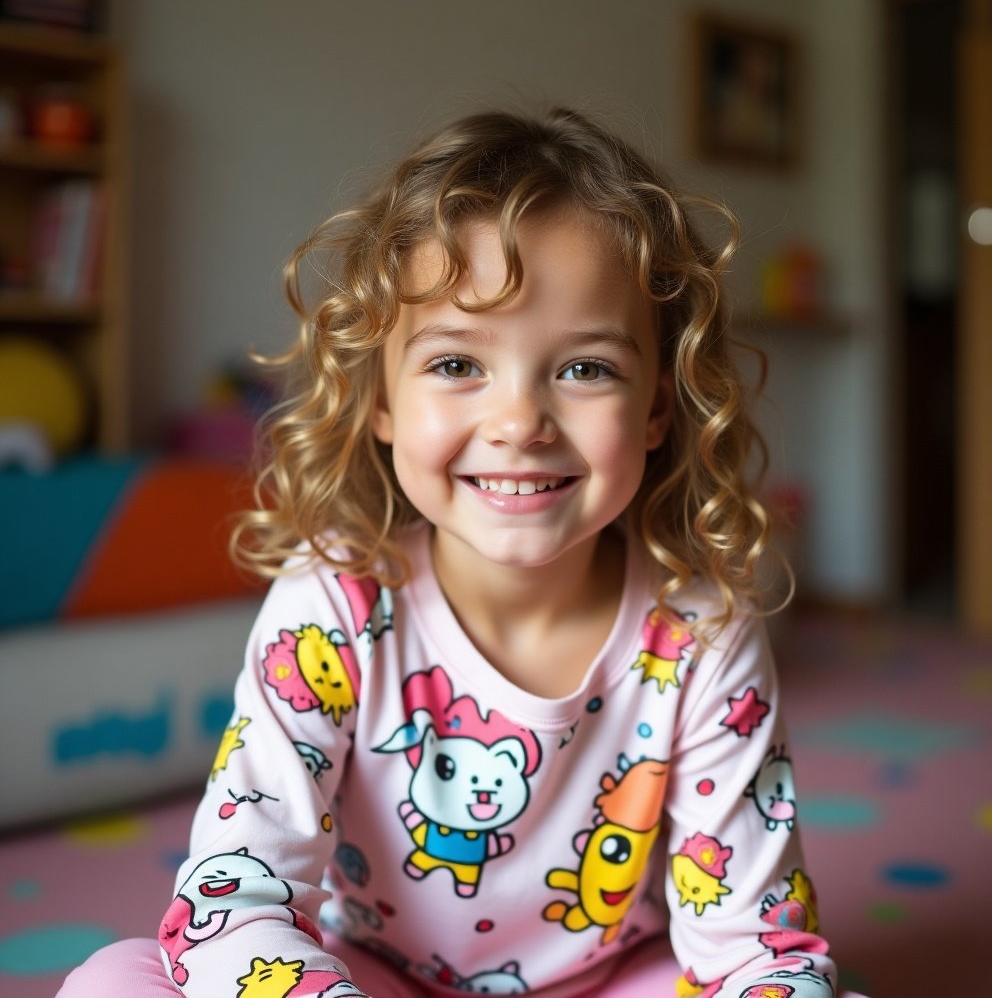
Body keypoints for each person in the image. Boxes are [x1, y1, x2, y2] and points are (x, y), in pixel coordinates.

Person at [59, 107, 842, 998]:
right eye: (457, 365)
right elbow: (235, 901)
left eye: (586, 368)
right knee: (115, 982)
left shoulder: (702, 629)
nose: (519, 424)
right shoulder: (334, 607)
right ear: (382, 401)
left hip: (614, 982)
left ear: (657, 409)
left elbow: (756, 947)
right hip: (372, 981)